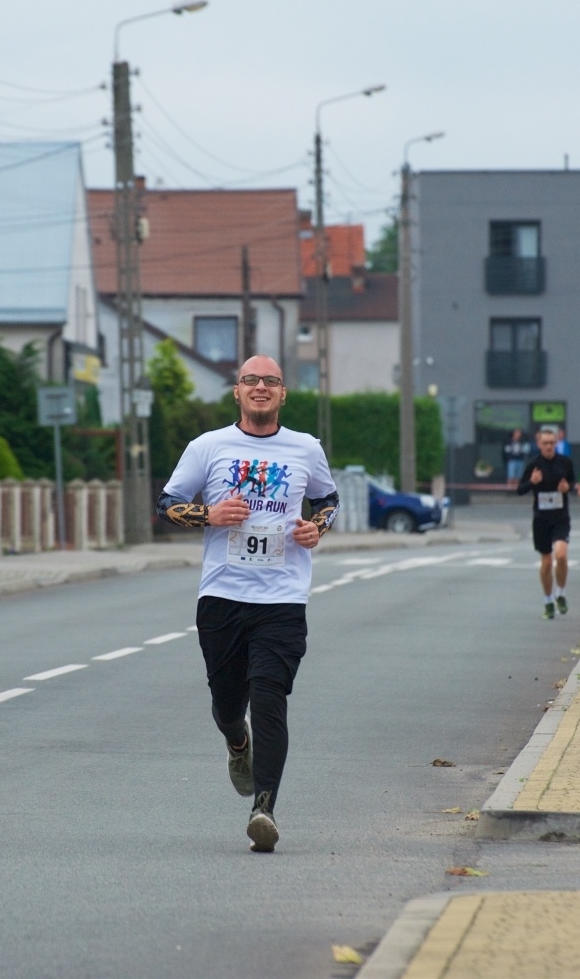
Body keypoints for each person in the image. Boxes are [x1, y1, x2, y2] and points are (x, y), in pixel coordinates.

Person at [158, 355, 338, 853]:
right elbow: (166, 503)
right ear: (236, 392)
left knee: (270, 699)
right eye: (251, 380)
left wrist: (314, 528)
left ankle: (264, 808)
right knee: (227, 703)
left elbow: (328, 500)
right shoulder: (208, 447)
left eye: (271, 381)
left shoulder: (306, 449)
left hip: (282, 598)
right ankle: (237, 742)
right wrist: (209, 514)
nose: (261, 387)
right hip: (221, 597)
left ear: (283, 394)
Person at [516, 426, 576, 618]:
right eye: (545, 443)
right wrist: (532, 482)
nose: (549, 446)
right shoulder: (533, 465)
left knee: (561, 555)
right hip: (541, 519)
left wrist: (567, 488)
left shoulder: (565, 463)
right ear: (539, 443)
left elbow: (573, 484)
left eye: (552, 443)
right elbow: (519, 490)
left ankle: (561, 593)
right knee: (546, 562)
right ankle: (548, 600)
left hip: (560, 518)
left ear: (556, 443)